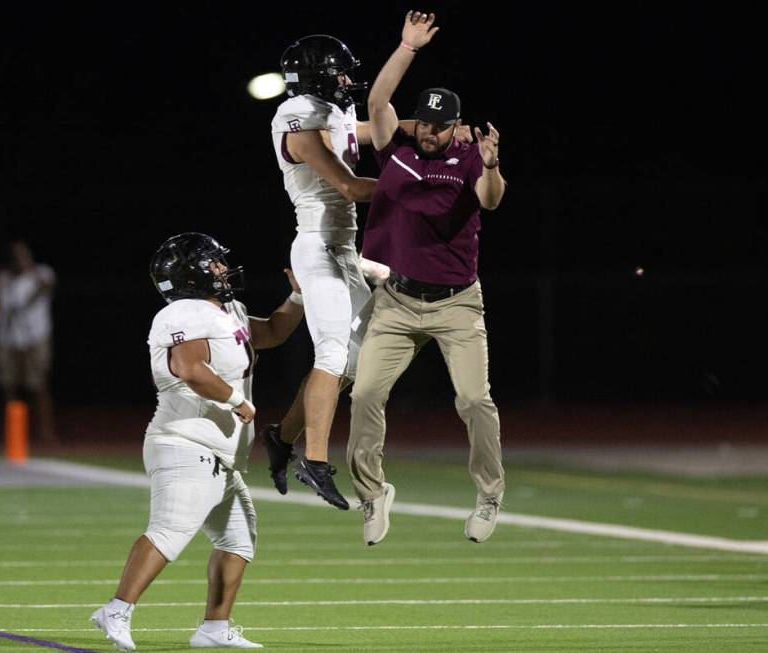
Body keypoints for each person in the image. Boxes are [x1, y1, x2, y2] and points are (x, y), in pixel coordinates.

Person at [263, 33, 469, 508]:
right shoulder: (297, 121)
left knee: (359, 360)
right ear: (316, 77)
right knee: (333, 354)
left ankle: (282, 436)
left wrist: (438, 127)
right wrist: (423, 184)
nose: (345, 78)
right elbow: (350, 186)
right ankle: (314, 461)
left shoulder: (329, 114)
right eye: (337, 71)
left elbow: (369, 129)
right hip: (316, 245)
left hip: (343, 249)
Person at [90, 232, 304, 650]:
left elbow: (274, 332)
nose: (223, 269)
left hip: (217, 451)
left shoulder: (229, 311)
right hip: (185, 442)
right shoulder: (183, 312)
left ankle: (214, 628)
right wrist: (237, 399)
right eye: (213, 263)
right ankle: (116, 608)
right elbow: (190, 367)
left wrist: (296, 298)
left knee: (238, 539)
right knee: (170, 529)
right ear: (191, 275)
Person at [346, 11, 508, 546]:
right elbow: (376, 104)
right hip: (396, 299)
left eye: (443, 125)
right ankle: (373, 493)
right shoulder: (400, 148)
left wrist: (489, 165)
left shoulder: (468, 158)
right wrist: (406, 48)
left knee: (472, 400)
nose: (434, 132)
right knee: (365, 392)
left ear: (456, 123)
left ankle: (488, 495)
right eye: (427, 123)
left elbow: (490, 200)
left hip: (457, 304)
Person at [0, 240, 58, 444]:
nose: (18, 259)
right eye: (14, 255)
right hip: (7, 338)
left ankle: (46, 433)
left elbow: (45, 288)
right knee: (9, 387)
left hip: (35, 337)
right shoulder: (3, 279)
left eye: (22, 254)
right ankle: (15, 434)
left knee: (38, 386)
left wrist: (28, 268)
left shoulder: (42, 273)